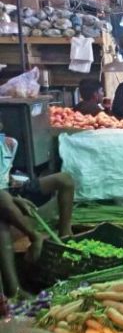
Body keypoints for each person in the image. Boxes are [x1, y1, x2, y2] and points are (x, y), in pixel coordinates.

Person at [0, 122, 74, 296]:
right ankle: (15, 288)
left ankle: (64, 238)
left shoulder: (7, 143)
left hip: (10, 192)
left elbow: (6, 175)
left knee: (65, 180)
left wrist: (15, 191)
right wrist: (11, 199)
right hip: (3, 198)